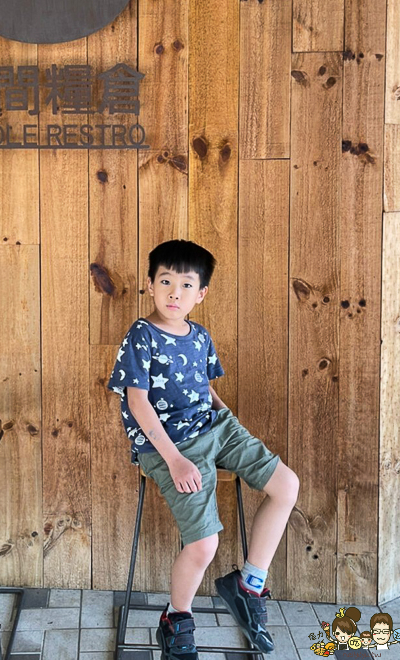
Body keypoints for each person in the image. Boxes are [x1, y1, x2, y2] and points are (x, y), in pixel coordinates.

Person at [107, 239, 299, 658]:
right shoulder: (142, 335)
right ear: (150, 284)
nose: (175, 292)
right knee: (204, 544)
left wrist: (232, 423)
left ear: (201, 293)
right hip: (169, 447)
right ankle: (176, 618)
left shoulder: (199, 335)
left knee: (286, 484)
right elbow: (137, 401)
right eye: (166, 281)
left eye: (187, 285)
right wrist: (175, 460)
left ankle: (247, 585)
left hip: (216, 427)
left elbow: (204, 387)